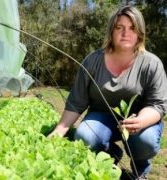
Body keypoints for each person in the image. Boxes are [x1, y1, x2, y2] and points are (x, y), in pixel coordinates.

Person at [48, 6, 167, 179]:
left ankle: (140, 168)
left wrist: (141, 121)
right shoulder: (93, 61)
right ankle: (110, 154)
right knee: (85, 136)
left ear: (140, 33)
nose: (126, 33)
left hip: (138, 119)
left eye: (132, 28)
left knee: (145, 140)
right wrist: (60, 129)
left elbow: (158, 104)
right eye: (119, 27)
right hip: (101, 116)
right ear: (111, 31)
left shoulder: (151, 64)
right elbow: (77, 100)